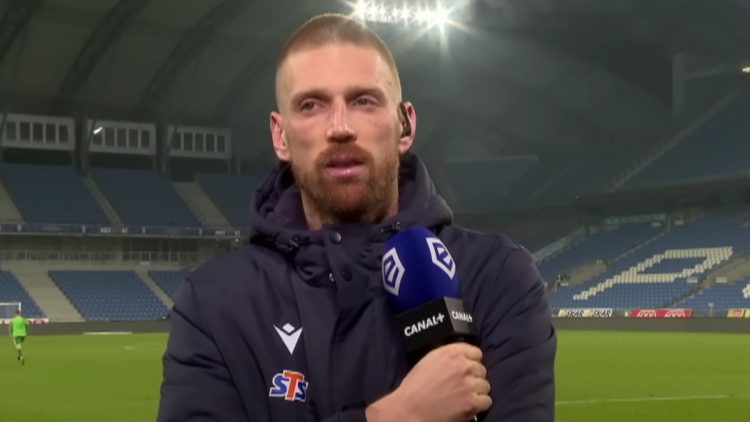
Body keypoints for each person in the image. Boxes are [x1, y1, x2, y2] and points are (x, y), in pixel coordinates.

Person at [158, 13, 556, 422]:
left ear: (404, 125)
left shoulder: (497, 277)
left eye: (364, 101)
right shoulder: (214, 301)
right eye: (311, 105)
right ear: (280, 135)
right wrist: (393, 417)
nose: (340, 127)